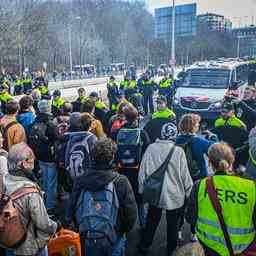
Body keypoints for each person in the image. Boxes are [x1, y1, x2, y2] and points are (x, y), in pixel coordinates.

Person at [70, 138, 138, 256]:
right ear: (112, 158)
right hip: (113, 234)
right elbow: (131, 214)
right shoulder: (120, 181)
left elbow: (71, 207)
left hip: (86, 234)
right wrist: (122, 231)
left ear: (92, 157)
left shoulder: (80, 180)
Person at [186, 142, 256, 256]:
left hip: (209, 245)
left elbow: (190, 217)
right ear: (232, 161)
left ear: (210, 163)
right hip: (243, 247)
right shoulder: (251, 187)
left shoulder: (200, 185)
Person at [138, 122, 193, 256]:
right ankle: (171, 249)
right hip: (175, 195)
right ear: (174, 136)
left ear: (161, 134)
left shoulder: (151, 148)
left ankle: (145, 245)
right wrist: (190, 193)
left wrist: (141, 190)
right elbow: (185, 176)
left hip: (155, 194)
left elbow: (142, 172)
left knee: (152, 220)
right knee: (173, 224)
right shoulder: (178, 151)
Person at [3, 142, 60, 256]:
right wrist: (56, 226)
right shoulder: (30, 192)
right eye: (32, 160)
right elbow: (43, 223)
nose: (34, 163)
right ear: (23, 164)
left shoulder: (4, 181)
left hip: (8, 241)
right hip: (28, 246)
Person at [29, 100, 57, 212]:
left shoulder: (35, 121)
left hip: (39, 155)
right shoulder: (50, 123)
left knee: (45, 180)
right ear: (48, 109)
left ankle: (43, 201)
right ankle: (49, 207)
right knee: (51, 182)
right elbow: (55, 139)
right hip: (49, 157)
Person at [176, 114, 215, 180]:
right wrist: (212, 136)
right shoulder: (198, 141)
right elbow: (215, 148)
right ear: (192, 126)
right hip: (198, 176)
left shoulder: (176, 140)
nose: (199, 125)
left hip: (181, 176)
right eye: (197, 123)